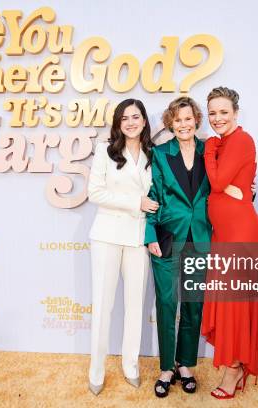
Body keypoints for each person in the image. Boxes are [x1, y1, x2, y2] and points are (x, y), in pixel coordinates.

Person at [87, 99, 158, 396]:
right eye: (124, 118)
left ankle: (131, 364)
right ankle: (96, 369)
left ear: (144, 122)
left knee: (134, 307)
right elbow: (95, 193)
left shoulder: (153, 154)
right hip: (106, 235)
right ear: (118, 123)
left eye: (136, 117)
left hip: (138, 237)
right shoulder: (105, 151)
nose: (130, 122)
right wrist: (135, 202)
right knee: (103, 306)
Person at [201, 87, 258, 400]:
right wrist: (229, 190)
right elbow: (222, 186)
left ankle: (234, 369)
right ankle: (235, 366)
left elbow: (216, 181)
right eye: (212, 113)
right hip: (224, 234)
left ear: (236, 114)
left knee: (236, 306)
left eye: (223, 112)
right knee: (229, 304)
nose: (217, 118)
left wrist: (210, 150)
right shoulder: (224, 143)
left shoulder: (239, 140)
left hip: (240, 234)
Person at [144, 96, 211, 398]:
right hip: (168, 238)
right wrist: (150, 234)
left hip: (200, 238)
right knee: (168, 304)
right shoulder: (159, 154)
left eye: (188, 119)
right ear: (170, 123)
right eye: (177, 120)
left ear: (196, 120)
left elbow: (223, 186)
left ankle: (186, 364)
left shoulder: (210, 151)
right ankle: (166, 368)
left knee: (194, 305)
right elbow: (153, 194)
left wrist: (247, 191)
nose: (183, 125)